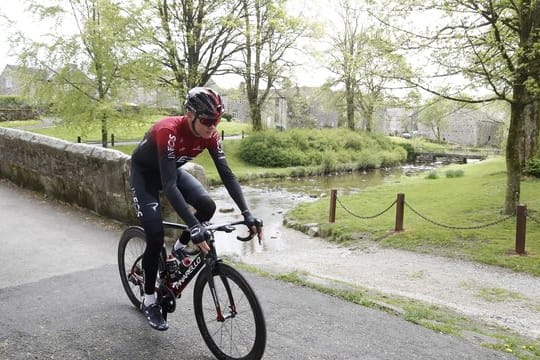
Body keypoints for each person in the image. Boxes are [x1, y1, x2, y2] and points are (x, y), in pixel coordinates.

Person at [129, 87, 263, 331]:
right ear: (189, 115)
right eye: (207, 121)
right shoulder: (167, 131)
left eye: (217, 121)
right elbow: (169, 187)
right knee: (156, 236)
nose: (213, 127)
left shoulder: (210, 135)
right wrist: (193, 226)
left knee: (207, 206)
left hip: (170, 171)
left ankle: (179, 250)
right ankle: (149, 300)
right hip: (146, 177)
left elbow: (227, 175)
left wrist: (247, 214)